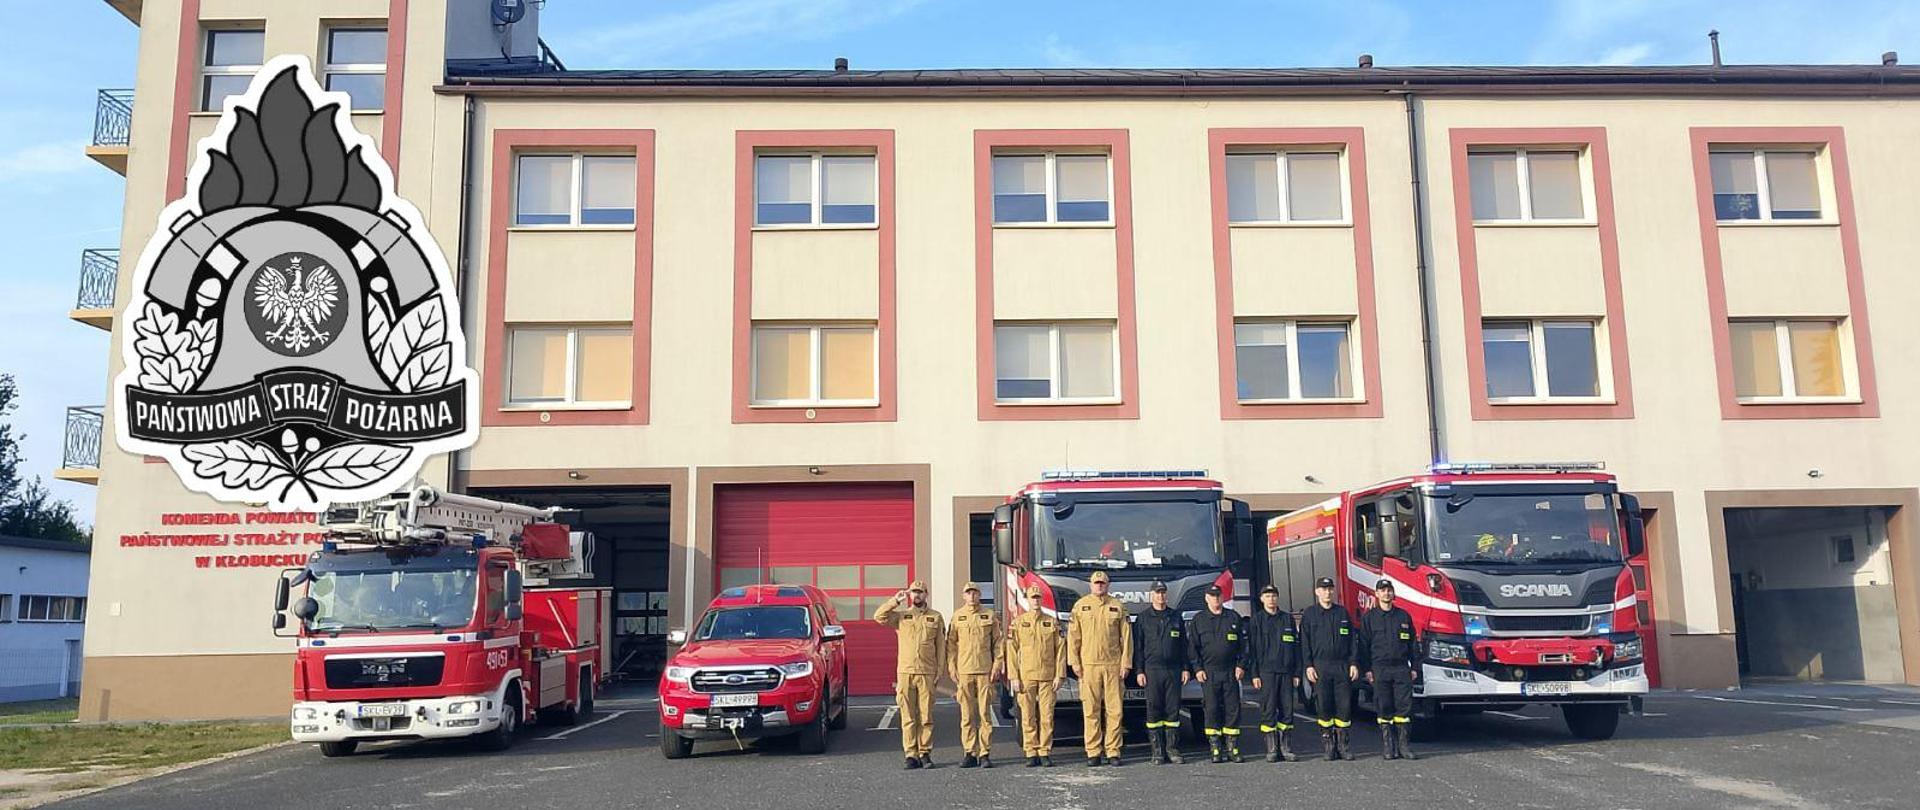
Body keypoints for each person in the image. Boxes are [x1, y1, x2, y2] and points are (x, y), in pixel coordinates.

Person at [875, 580, 946, 769]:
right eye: (914, 592)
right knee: (908, 716)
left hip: (927, 673)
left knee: (926, 716)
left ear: (926, 594)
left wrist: (939, 670)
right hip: (906, 672)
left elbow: (941, 646)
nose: (917, 595)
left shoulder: (936, 617)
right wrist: (895, 601)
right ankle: (911, 754)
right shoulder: (901, 616)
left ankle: (925, 753)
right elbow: (879, 616)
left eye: (920, 592)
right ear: (910, 595)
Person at [1066, 570, 1132, 766]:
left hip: (1113, 665)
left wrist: (1126, 663)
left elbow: (1126, 638)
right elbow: (1073, 637)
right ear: (1090, 585)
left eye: (1102, 583)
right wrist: (1074, 663)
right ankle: (1093, 751)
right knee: (1091, 710)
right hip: (1088, 666)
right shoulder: (1080, 606)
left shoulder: (1118, 606)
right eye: (1096, 583)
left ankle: (1113, 751)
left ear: (1108, 585)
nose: (1099, 586)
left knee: (1115, 710)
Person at [1354, 578, 1421, 761]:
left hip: (1401, 669)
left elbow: (1413, 644)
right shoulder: (1369, 618)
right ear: (1376, 594)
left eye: (1389, 590)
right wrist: (1367, 670)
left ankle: (1404, 746)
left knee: (1404, 709)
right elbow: (1364, 647)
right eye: (1382, 590)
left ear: (1393, 593)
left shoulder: (1403, 617)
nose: (1386, 593)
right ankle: (1388, 746)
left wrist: (1415, 667)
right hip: (1380, 668)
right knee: (1384, 708)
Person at [1005, 583, 1067, 767]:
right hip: (1026, 677)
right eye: (1033, 597)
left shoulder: (1051, 622)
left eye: (1038, 597)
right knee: (1028, 716)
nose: (1036, 601)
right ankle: (1031, 751)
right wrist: (1013, 677)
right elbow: (1012, 651)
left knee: (1047, 716)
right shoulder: (1018, 622)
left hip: (1048, 677)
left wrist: (1060, 675)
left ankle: (1045, 751)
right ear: (1027, 599)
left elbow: (1060, 650)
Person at [1299, 576, 1358, 760]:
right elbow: (1304, 643)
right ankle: (1329, 746)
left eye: (1330, 589)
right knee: (1324, 706)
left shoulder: (1342, 614)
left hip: (1341, 666)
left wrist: (1354, 663)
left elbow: (1352, 642)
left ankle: (1343, 746)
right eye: (1324, 589)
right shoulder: (1310, 615)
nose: (1327, 592)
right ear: (1317, 592)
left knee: (1344, 707)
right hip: (1320, 666)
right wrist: (1308, 665)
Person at [1131, 580, 1190, 765]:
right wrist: (1139, 671)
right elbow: (1138, 647)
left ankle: (1172, 749)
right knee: (1154, 710)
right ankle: (1157, 751)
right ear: (1151, 595)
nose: (1161, 596)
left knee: (1173, 711)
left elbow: (1183, 646)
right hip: (1152, 670)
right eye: (1157, 592)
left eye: (1163, 592)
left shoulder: (1175, 617)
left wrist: (1186, 668)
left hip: (1173, 670)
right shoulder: (1143, 618)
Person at [1185, 584, 1246, 763]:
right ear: (1206, 598)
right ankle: (1216, 749)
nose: (1216, 599)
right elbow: (1192, 648)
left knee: (1232, 709)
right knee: (1211, 710)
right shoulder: (1199, 619)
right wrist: (1198, 669)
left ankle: (1232, 748)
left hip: (1230, 672)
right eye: (1212, 596)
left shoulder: (1233, 618)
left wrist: (1241, 666)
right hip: (1209, 673)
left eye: (1218, 595)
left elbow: (1243, 647)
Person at [1247, 584, 1304, 763]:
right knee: (1269, 710)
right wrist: (1254, 674)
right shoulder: (1257, 621)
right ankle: (1272, 748)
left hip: (1286, 672)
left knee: (1287, 710)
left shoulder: (1287, 619)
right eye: (1267, 596)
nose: (1271, 599)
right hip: (1266, 673)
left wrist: (1297, 673)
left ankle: (1285, 747)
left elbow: (1296, 648)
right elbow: (1253, 650)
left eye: (1274, 595)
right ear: (1261, 599)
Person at [947, 582, 1000, 769]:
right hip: (964, 672)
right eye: (968, 593)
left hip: (984, 671)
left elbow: (998, 643)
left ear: (979, 595)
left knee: (985, 715)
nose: (971, 596)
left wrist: (997, 665)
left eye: (974, 593)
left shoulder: (989, 615)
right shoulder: (958, 616)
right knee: (967, 715)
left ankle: (985, 753)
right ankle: (969, 752)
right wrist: (952, 667)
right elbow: (951, 645)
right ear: (964, 596)